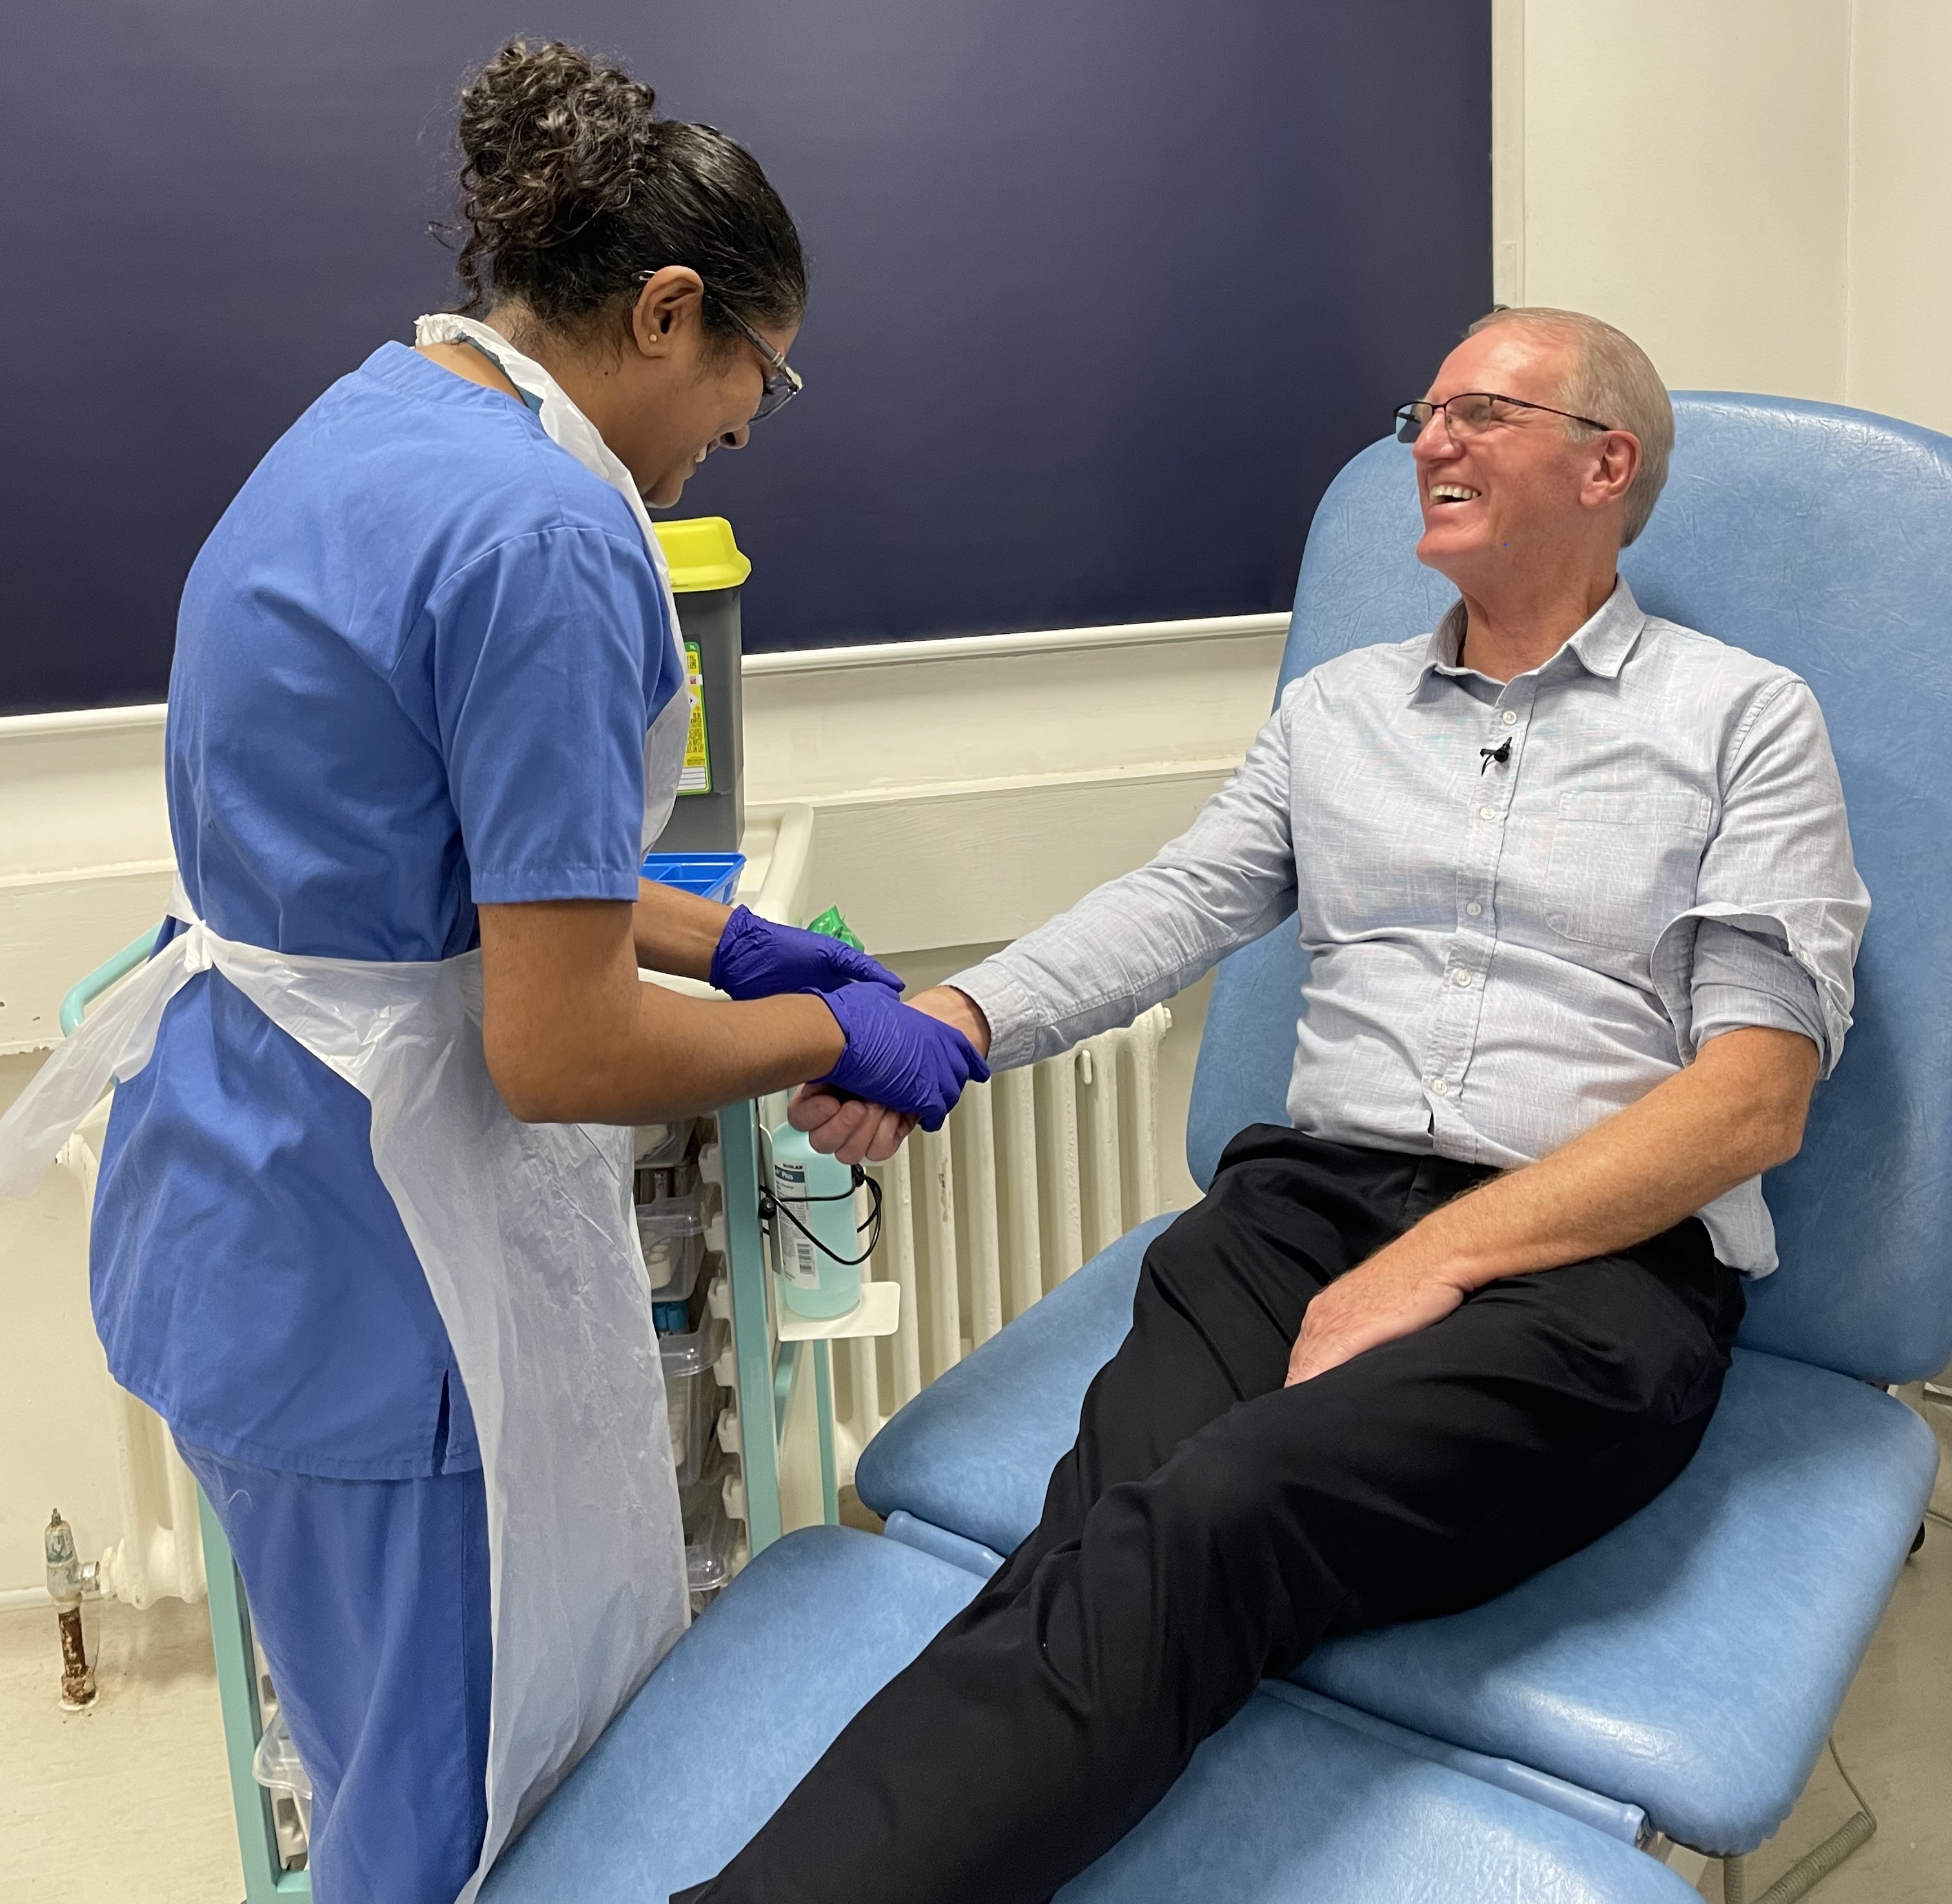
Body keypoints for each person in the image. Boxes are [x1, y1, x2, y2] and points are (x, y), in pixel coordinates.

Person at [682, 307, 1870, 1904]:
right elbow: (1178, 901)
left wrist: (1436, 1262)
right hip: (1295, 1212)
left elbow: (1751, 1104)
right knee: (1090, 1544)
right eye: (1424, 413)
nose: (1429, 440)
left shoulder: (1744, 722)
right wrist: (951, 1019)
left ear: (1610, 465)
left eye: (1483, 412)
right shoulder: (1342, 713)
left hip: (1599, 1256)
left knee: (1214, 1515)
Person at [0, 39, 984, 1904]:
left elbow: (463, 871)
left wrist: (732, 934)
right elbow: (555, 1038)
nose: (742, 431)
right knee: (455, 1829)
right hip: (377, 1283)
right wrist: (833, 1024)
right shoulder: (547, 533)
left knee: (375, 1751)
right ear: (671, 308)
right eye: (753, 382)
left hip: (243, 1202)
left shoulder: (382, 414)